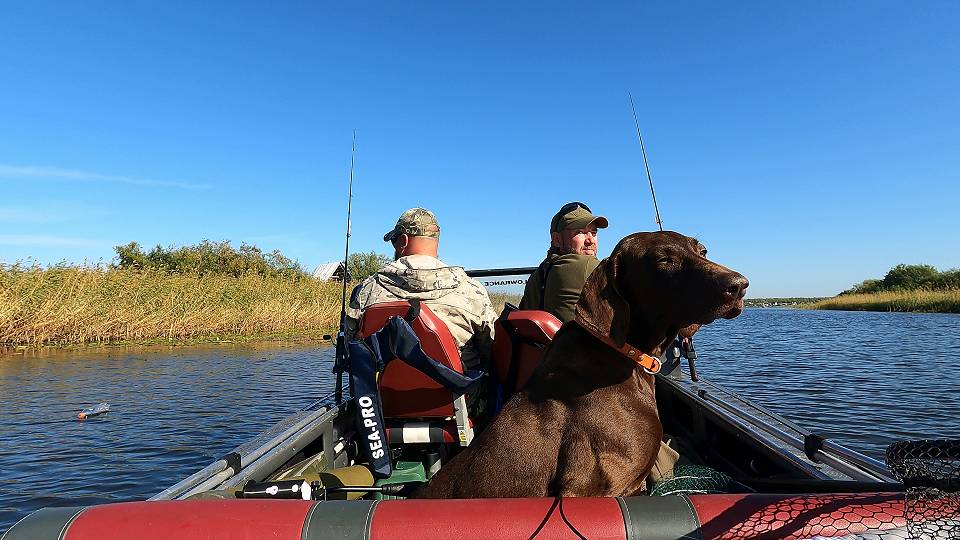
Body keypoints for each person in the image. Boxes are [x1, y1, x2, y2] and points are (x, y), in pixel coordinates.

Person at [344, 208, 498, 376]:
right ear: (436, 242)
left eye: (394, 241)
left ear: (403, 241)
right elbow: (493, 350)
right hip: (459, 398)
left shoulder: (367, 290)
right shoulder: (473, 291)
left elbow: (352, 349)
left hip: (385, 400)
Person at [519, 201, 608, 323]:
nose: (590, 240)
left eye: (593, 233)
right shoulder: (585, 265)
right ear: (557, 239)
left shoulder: (538, 274)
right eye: (580, 232)